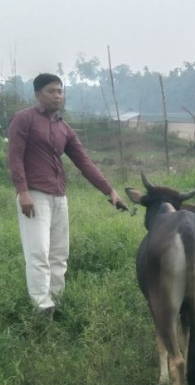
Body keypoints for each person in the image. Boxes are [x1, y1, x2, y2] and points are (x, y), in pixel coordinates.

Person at [7, 73, 127, 316]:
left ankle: (57, 301)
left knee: (59, 254)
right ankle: (41, 306)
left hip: (59, 197)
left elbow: (85, 163)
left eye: (60, 91)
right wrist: (23, 192)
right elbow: (15, 157)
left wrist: (110, 191)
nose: (58, 96)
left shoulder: (65, 128)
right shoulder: (24, 119)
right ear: (38, 94)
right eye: (51, 91)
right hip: (34, 195)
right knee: (38, 252)